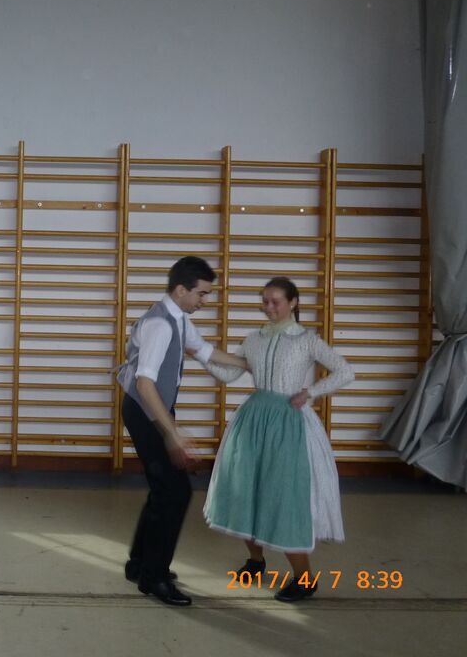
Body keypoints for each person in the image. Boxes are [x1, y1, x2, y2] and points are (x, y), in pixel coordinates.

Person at [201, 277, 354, 602]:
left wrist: (310, 392)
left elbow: (345, 372)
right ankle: (256, 561)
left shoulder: (307, 340)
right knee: (246, 490)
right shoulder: (253, 339)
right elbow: (228, 375)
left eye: (275, 301)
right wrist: (199, 354)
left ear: (293, 302)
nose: (268, 307)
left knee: (285, 498)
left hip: (289, 425)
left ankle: (305, 579)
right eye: (265, 301)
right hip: (253, 421)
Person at [116, 256, 246, 606]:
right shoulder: (161, 325)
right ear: (180, 290)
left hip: (152, 408)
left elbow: (205, 351)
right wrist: (171, 431)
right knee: (176, 493)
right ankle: (154, 578)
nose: (205, 301)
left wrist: (249, 364)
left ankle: (140, 564)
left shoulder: (177, 318)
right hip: (145, 410)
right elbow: (144, 384)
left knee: (165, 490)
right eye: (201, 294)